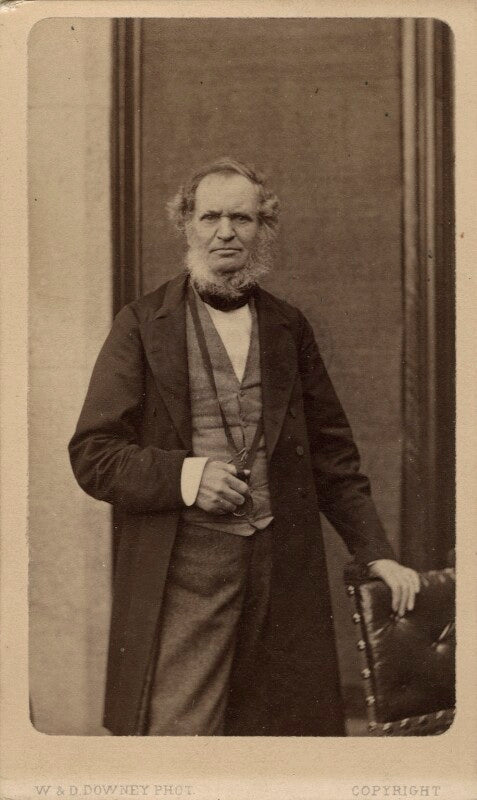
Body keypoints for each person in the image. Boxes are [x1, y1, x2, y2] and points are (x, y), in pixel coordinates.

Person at [69, 157, 420, 737]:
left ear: (264, 229)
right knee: (178, 746)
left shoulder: (289, 326)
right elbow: (93, 454)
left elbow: (333, 457)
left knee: (281, 743)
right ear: (187, 224)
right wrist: (186, 477)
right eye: (210, 217)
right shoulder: (141, 324)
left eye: (242, 218)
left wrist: (375, 551)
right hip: (184, 568)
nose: (225, 232)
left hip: (282, 569)